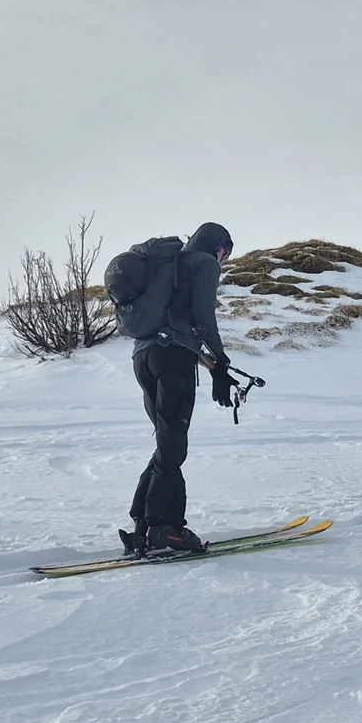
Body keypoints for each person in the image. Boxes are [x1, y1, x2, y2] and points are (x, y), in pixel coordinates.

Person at [127, 222, 236, 554]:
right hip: (172, 361)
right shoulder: (201, 263)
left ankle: (144, 526)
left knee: (167, 441)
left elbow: (175, 326)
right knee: (173, 444)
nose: (223, 261)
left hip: (143, 357)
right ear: (217, 247)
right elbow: (204, 317)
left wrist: (212, 366)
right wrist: (220, 357)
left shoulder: (169, 267)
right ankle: (165, 527)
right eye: (225, 254)